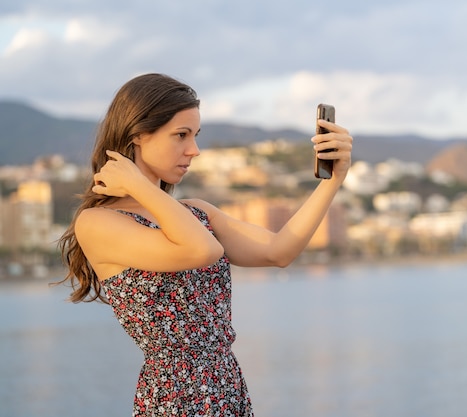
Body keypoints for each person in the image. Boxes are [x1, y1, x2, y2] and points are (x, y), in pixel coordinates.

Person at [56, 73, 353, 417]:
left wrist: (335, 179)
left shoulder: (193, 212)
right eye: (181, 135)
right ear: (137, 135)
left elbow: (279, 251)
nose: (193, 150)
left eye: (195, 136)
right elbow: (203, 250)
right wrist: (139, 186)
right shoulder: (98, 222)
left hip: (226, 386)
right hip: (175, 397)